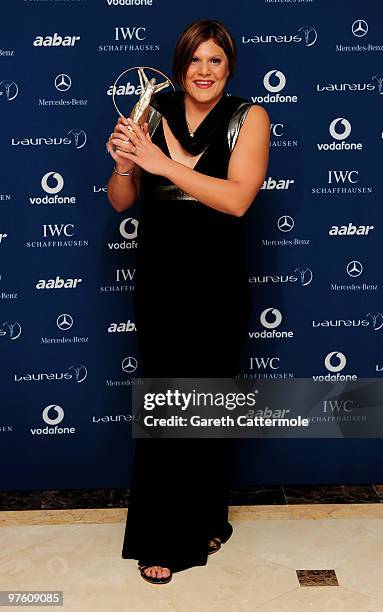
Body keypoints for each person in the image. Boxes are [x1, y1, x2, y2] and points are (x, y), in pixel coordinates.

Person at [106, 19, 270, 584]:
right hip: (160, 280)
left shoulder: (249, 118)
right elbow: (122, 199)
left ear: (230, 68)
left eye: (215, 61)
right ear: (180, 65)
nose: (204, 71)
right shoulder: (153, 111)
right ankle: (161, 536)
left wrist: (162, 162)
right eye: (195, 61)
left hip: (215, 284)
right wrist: (127, 161)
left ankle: (205, 519)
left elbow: (238, 200)